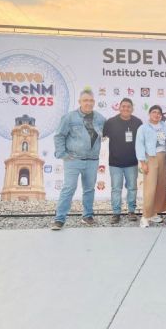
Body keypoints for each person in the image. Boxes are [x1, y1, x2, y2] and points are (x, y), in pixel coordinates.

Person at [51, 89, 106, 230]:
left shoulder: (100, 118)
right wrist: (62, 154)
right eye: (85, 100)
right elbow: (59, 135)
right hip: (73, 159)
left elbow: (108, 132)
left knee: (89, 189)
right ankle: (59, 219)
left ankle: (87, 216)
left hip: (92, 160)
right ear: (80, 102)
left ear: (94, 102)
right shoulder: (69, 117)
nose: (88, 103)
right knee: (69, 187)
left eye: (91, 100)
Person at [103, 98, 142, 224]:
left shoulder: (138, 122)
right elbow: (102, 136)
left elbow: (142, 141)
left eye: (128, 106)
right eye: (123, 106)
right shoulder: (110, 122)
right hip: (115, 163)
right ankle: (116, 213)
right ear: (119, 107)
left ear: (132, 108)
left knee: (132, 188)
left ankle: (131, 211)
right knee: (116, 189)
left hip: (132, 162)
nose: (126, 108)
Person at [135, 105, 166, 228]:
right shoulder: (143, 128)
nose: (156, 114)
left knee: (160, 187)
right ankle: (145, 216)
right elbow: (139, 145)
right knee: (150, 188)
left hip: (163, 157)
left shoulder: (164, 126)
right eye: (154, 112)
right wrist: (143, 162)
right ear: (149, 114)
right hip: (150, 158)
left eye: (159, 113)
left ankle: (154, 213)